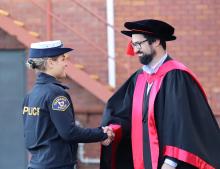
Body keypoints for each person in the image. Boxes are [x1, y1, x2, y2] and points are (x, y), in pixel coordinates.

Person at [100, 19, 220, 169]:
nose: (135, 50)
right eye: (133, 44)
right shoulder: (139, 78)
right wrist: (112, 131)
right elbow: (125, 114)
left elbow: (181, 124)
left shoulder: (176, 76)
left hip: (170, 164)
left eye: (138, 44)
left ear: (156, 41)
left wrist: (170, 162)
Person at [22, 40, 114, 169]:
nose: (66, 64)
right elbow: (69, 132)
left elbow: (30, 136)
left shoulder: (30, 95)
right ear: (50, 62)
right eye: (63, 58)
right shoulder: (55, 93)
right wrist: (102, 134)